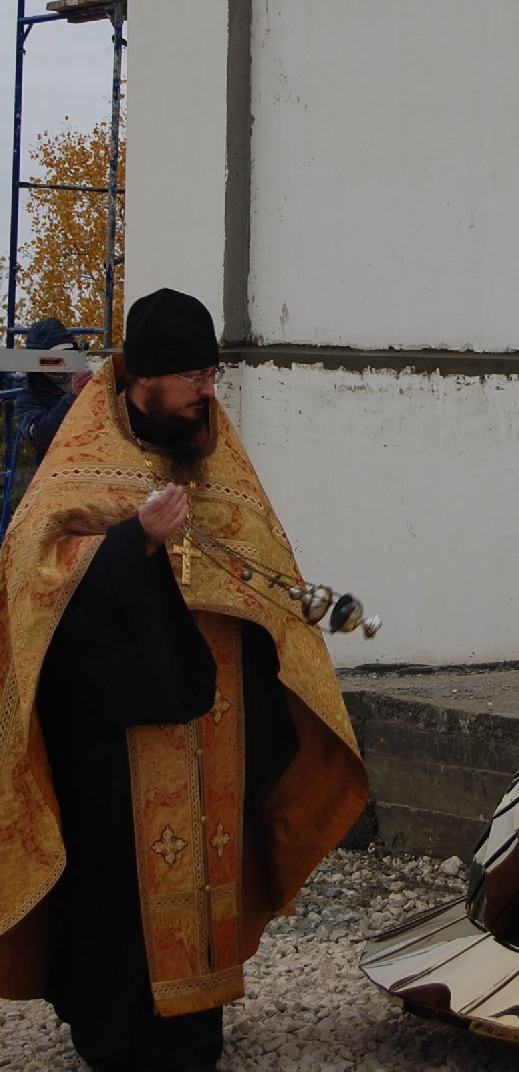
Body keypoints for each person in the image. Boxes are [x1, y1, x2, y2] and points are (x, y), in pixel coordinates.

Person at [0, 288, 368, 1072]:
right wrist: (133, 540)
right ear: (146, 380)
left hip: (214, 714)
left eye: (212, 374)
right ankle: (116, 1033)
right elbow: (34, 574)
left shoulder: (211, 447)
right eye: (194, 377)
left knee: (209, 866)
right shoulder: (83, 454)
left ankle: (195, 1027)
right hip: (112, 731)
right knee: (116, 882)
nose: (209, 391)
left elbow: (254, 551)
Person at [14, 316, 92, 462]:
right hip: (57, 466)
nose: (62, 361)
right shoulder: (29, 398)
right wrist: (73, 398)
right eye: (53, 357)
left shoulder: (94, 378)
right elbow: (42, 438)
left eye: (67, 352)